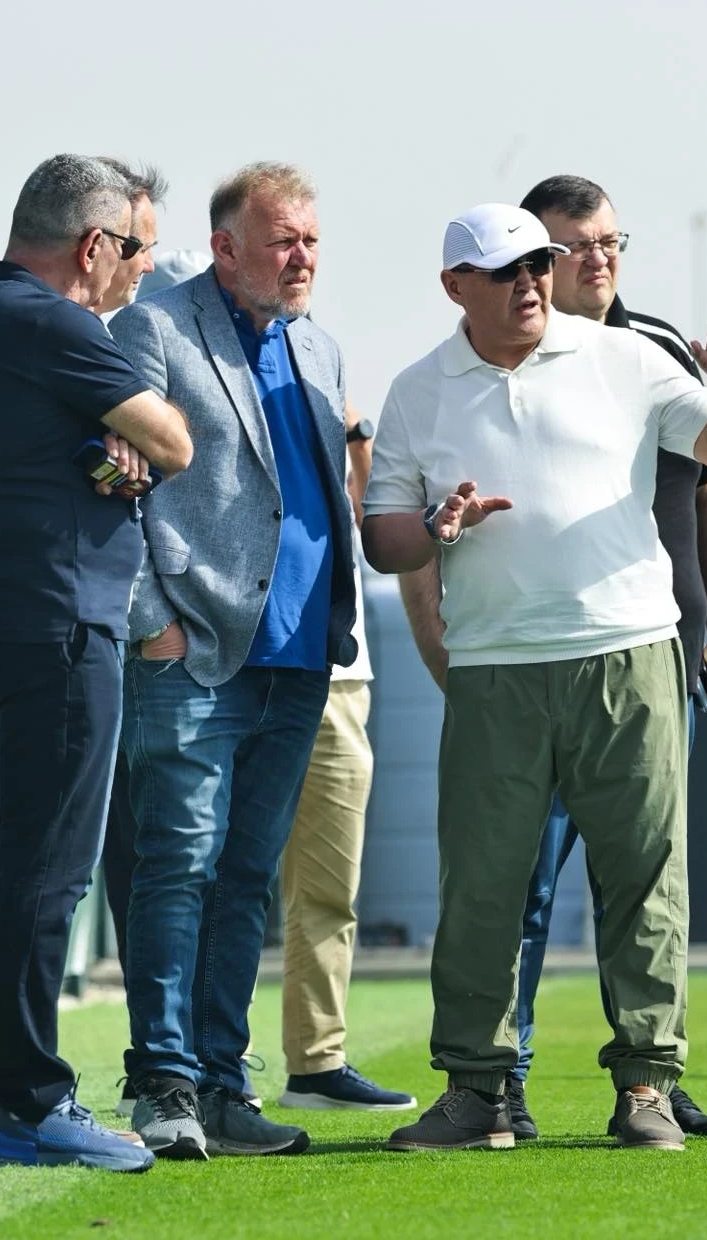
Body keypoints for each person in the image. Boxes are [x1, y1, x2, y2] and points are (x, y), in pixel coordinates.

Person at [362, 201, 707, 1153]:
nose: (531, 282)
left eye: (539, 264)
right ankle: (478, 1093)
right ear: (455, 286)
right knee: (483, 888)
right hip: (495, 671)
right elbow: (383, 539)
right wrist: (435, 528)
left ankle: (647, 1087)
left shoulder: (626, 357)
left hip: (630, 657)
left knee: (645, 880)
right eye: (506, 270)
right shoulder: (418, 390)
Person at [0, 153, 192, 1171]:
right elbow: (175, 441)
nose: (140, 271)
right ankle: (30, 1103)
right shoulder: (55, 325)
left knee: (3, 868)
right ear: (93, 244)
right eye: (137, 250)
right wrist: (123, 430)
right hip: (62, 624)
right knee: (48, 874)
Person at [108, 162, 357, 1160]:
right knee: (178, 866)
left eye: (311, 240)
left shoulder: (321, 346)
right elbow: (110, 486)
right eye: (283, 240)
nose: (303, 258)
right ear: (225, 248)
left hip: (300, 658)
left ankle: (221, 1084)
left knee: (246, 876)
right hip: (192, 649)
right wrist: (150, 622)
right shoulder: (153, 329)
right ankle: (163, 1083)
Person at [277, 407, 416, 1113]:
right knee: (201, 880)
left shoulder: (328, 387)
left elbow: (376, 530)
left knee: (330, 885)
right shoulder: (202, 365)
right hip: (232, 666)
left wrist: (356, 437)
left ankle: (315, 1063)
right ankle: (183, 1067)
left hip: (337, 675)